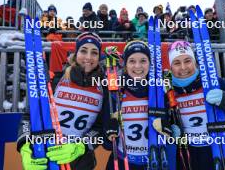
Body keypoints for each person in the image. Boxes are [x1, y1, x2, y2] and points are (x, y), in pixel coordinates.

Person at [17, 32, 111, 170]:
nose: (88, 57)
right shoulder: (56, 80)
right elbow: (29, 117)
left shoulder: (104, 88)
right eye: (83, 51)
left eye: (94, 53)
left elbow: (100, 129)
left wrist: (81, 146)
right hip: (45, 156)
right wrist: (25, 145)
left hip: (80, 162)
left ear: (99, 57)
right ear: (76, 53)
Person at [166, 40, 225, 170]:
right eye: (177, 63)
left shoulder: (214, 83)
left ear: (194, 61)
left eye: (187, 61)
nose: (183, 67)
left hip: (223, 154)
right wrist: (169, 131)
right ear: (171, 66)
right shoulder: (168, 92)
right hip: (190, 159)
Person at [103, 41, 151, 170]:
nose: (137, 66)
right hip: (122, 161)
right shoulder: (117, 89)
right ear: (125, 64)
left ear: (150, 63)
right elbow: (107, 139)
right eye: (132, 61)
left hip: (152, 161)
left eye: (143, 61)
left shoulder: (159, 89)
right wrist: (109, 131)